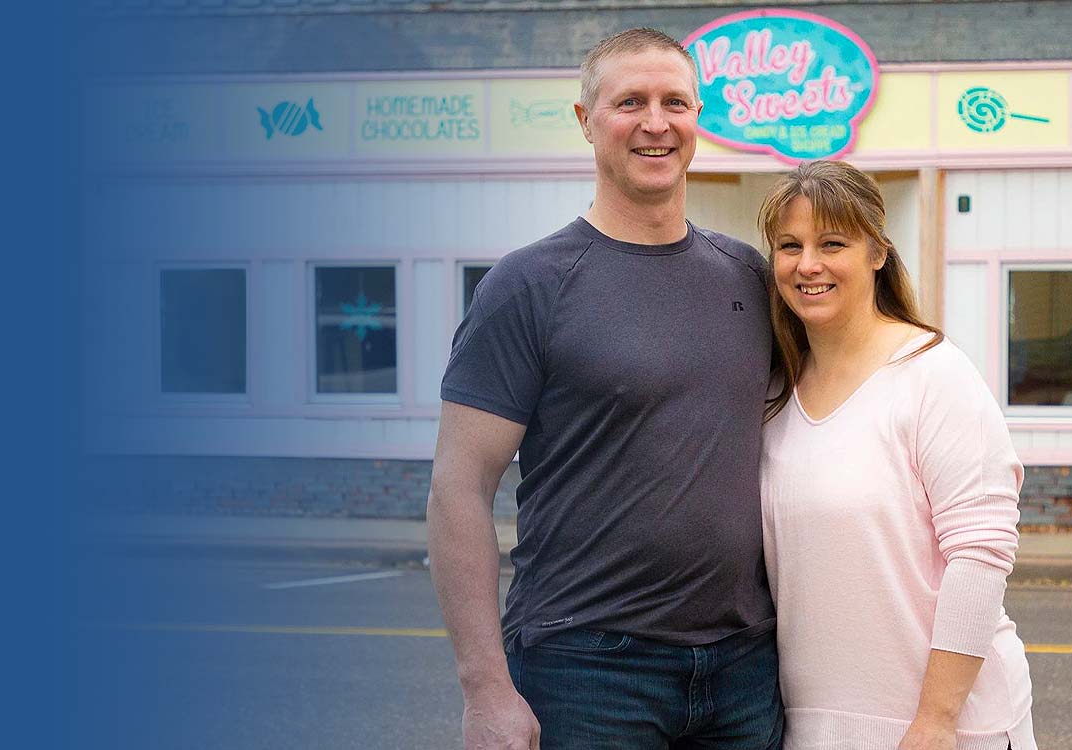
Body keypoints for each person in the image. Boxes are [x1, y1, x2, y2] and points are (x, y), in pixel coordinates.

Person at [427, 27, 782, 750]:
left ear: (697, 120)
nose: (656, 122)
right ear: (586, 120)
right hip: (586, 670)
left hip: (746, 670)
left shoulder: (748, 274)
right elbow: (458, 486)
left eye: (674, 102)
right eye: (630, 102)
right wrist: (485, 688)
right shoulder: (529, 285)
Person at [756, 160, 1036, 750]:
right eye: (790, 245)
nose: (808, 265)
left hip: (941, 726)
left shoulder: (933, 375)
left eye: (833, 243)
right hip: (814, 722)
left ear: (878, 253)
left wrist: (936, 721)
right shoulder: (776, 392)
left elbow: (981, 553)